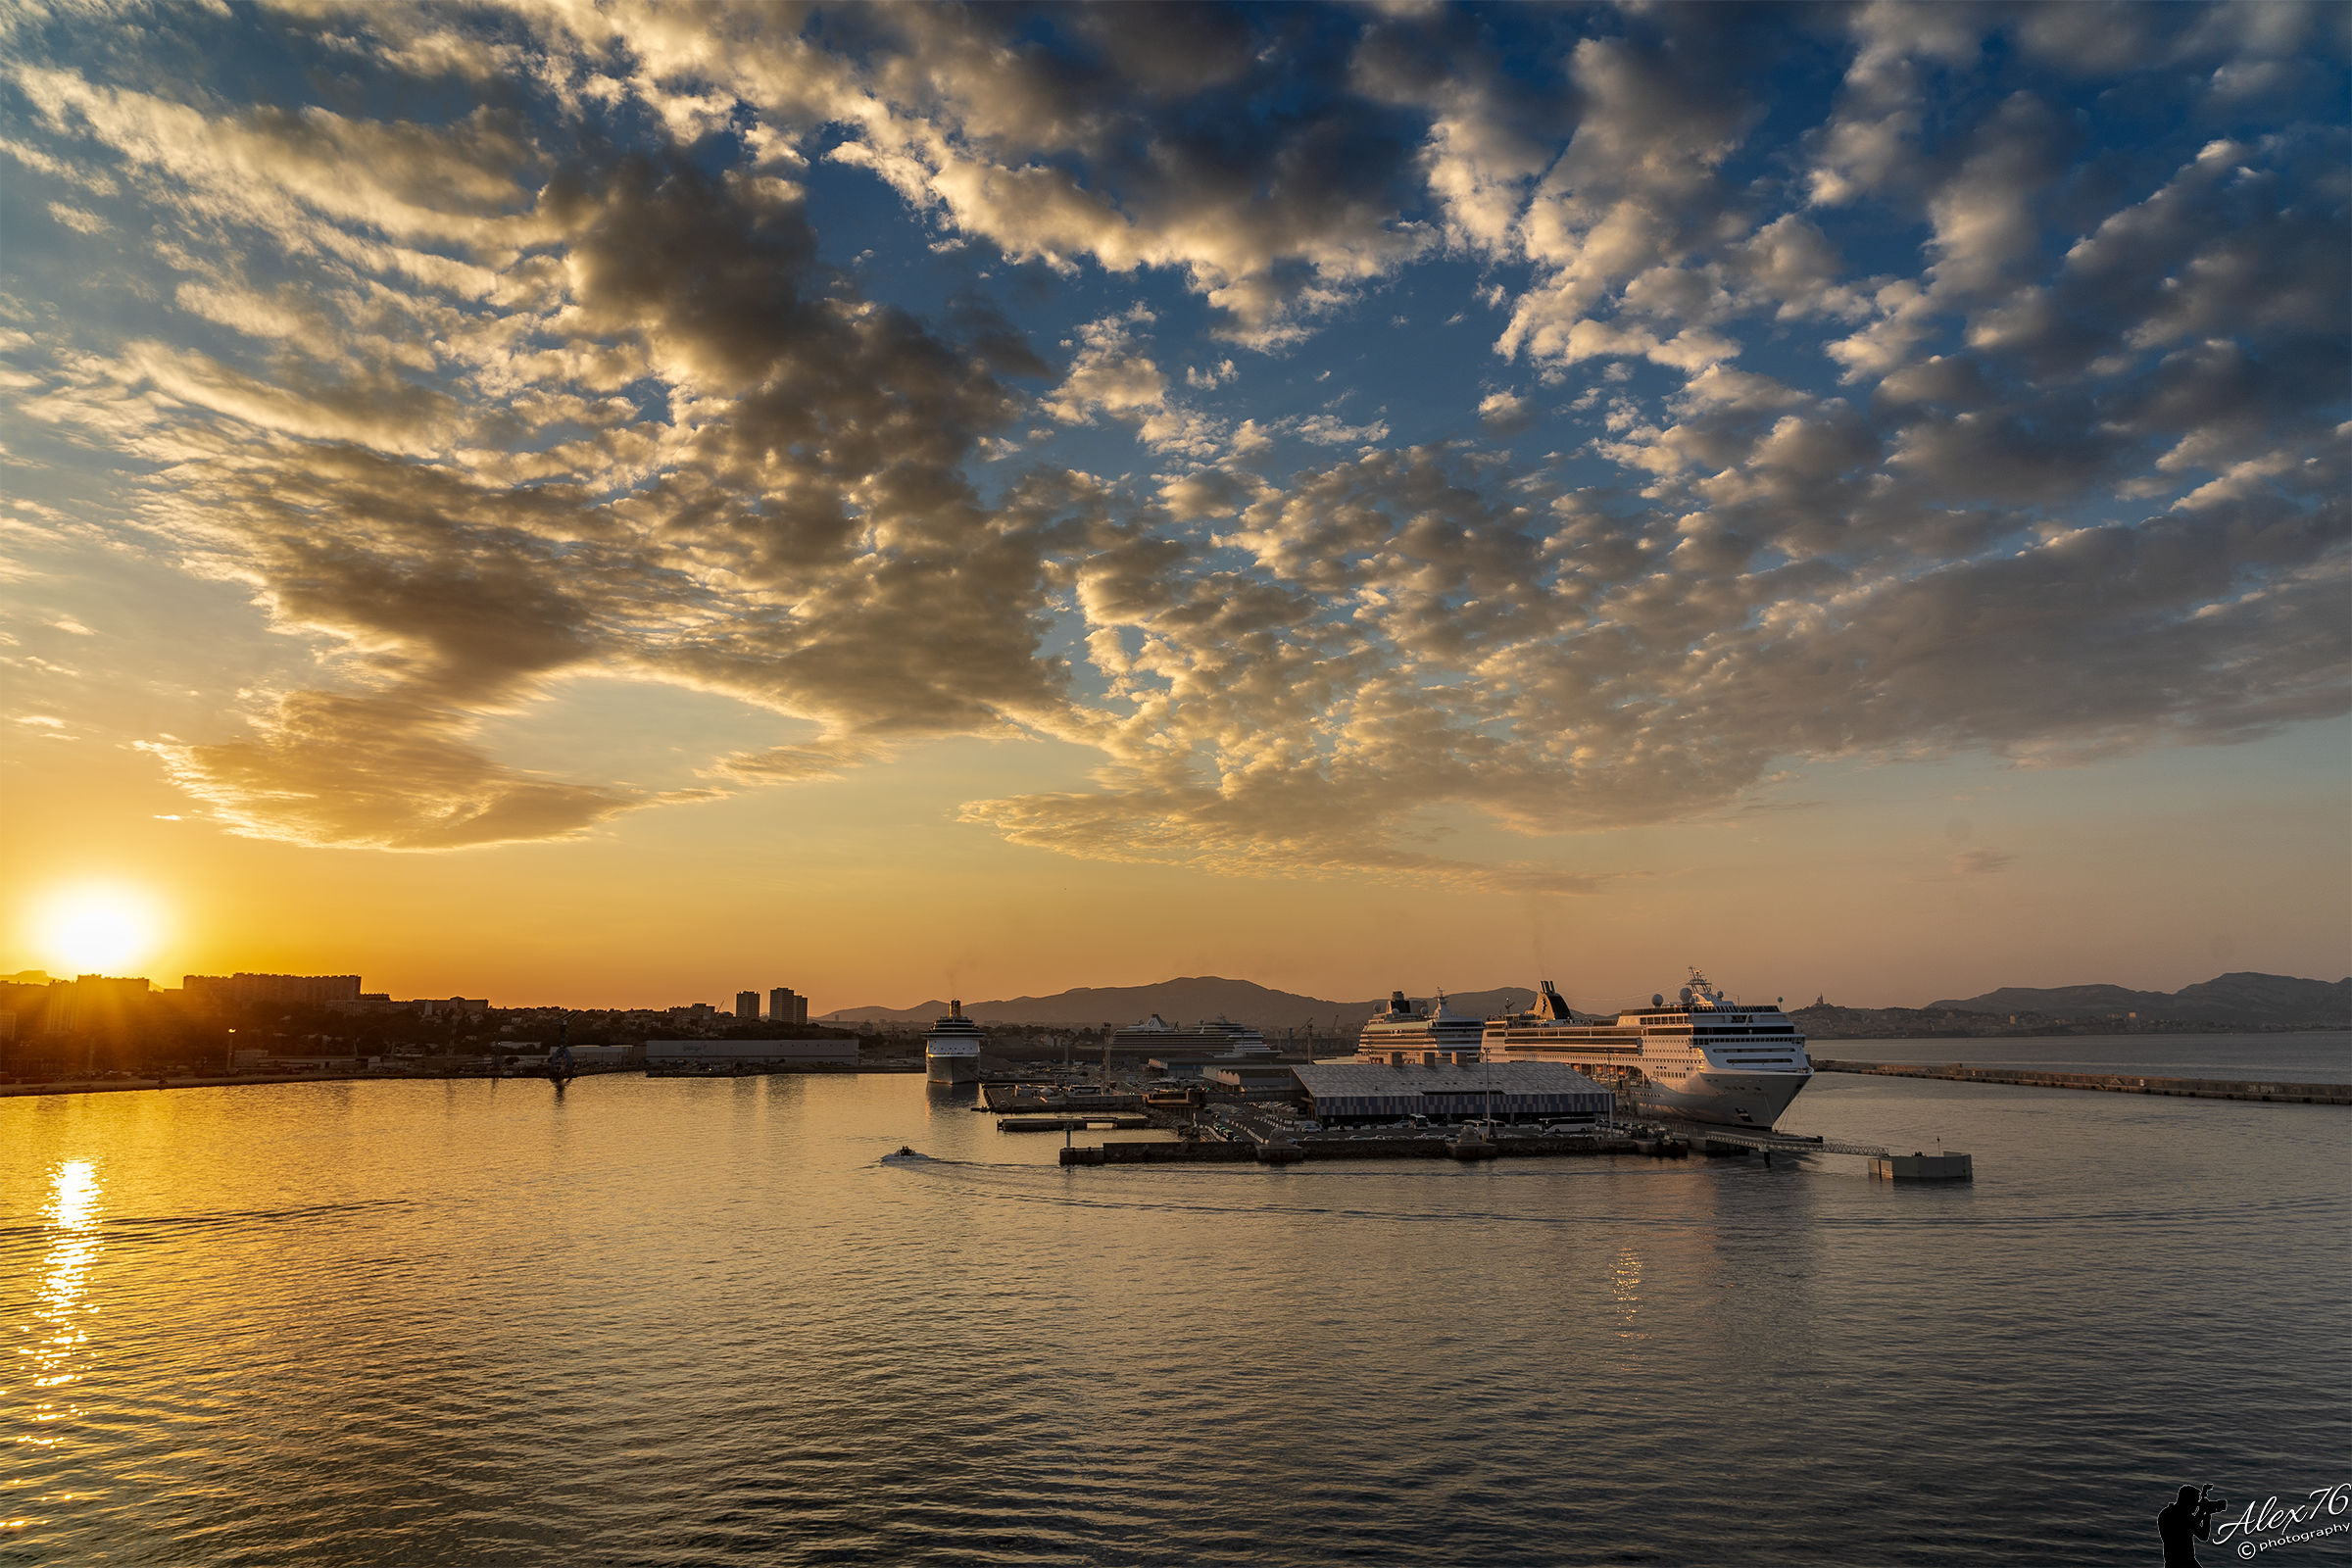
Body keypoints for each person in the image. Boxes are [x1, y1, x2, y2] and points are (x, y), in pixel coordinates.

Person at [2157, 1484, 2219, 1566]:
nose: (2196, 1506)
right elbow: (2203, 1535)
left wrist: (2203, 1512)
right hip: (2185, 1562)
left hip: (2171, 1562)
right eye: (2195, 1502)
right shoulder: (2183, 1517)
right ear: (2188, 1501)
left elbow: (2191, 1525)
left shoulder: (2165, 1513)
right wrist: (2206, 1514)